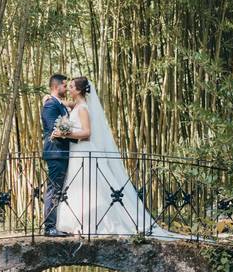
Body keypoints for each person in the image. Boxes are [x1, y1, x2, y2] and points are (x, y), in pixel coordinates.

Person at [51, 76, 182, 238]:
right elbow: (68, 104)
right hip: (77, 152)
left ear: (78, 90)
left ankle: (95, 222)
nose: (68, 89)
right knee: (80, 185)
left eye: (71, 87)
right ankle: (80, 222)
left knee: (92, 186)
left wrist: (66, 134)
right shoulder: (78, 104)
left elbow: (87, 132)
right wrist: (53, 99)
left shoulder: (83, 108)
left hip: (84, 150)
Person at [40, 73, 76, 237]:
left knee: (58, 189)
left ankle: (55, 224)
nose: (66, 89)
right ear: (56, 87)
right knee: (53, 190)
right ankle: (49, 227)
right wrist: (70, 132)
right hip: (55, 152)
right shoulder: (50, 105)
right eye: (64, 86)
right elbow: (53, 128)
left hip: (62, 151)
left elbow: (72, 105)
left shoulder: (58, 103)